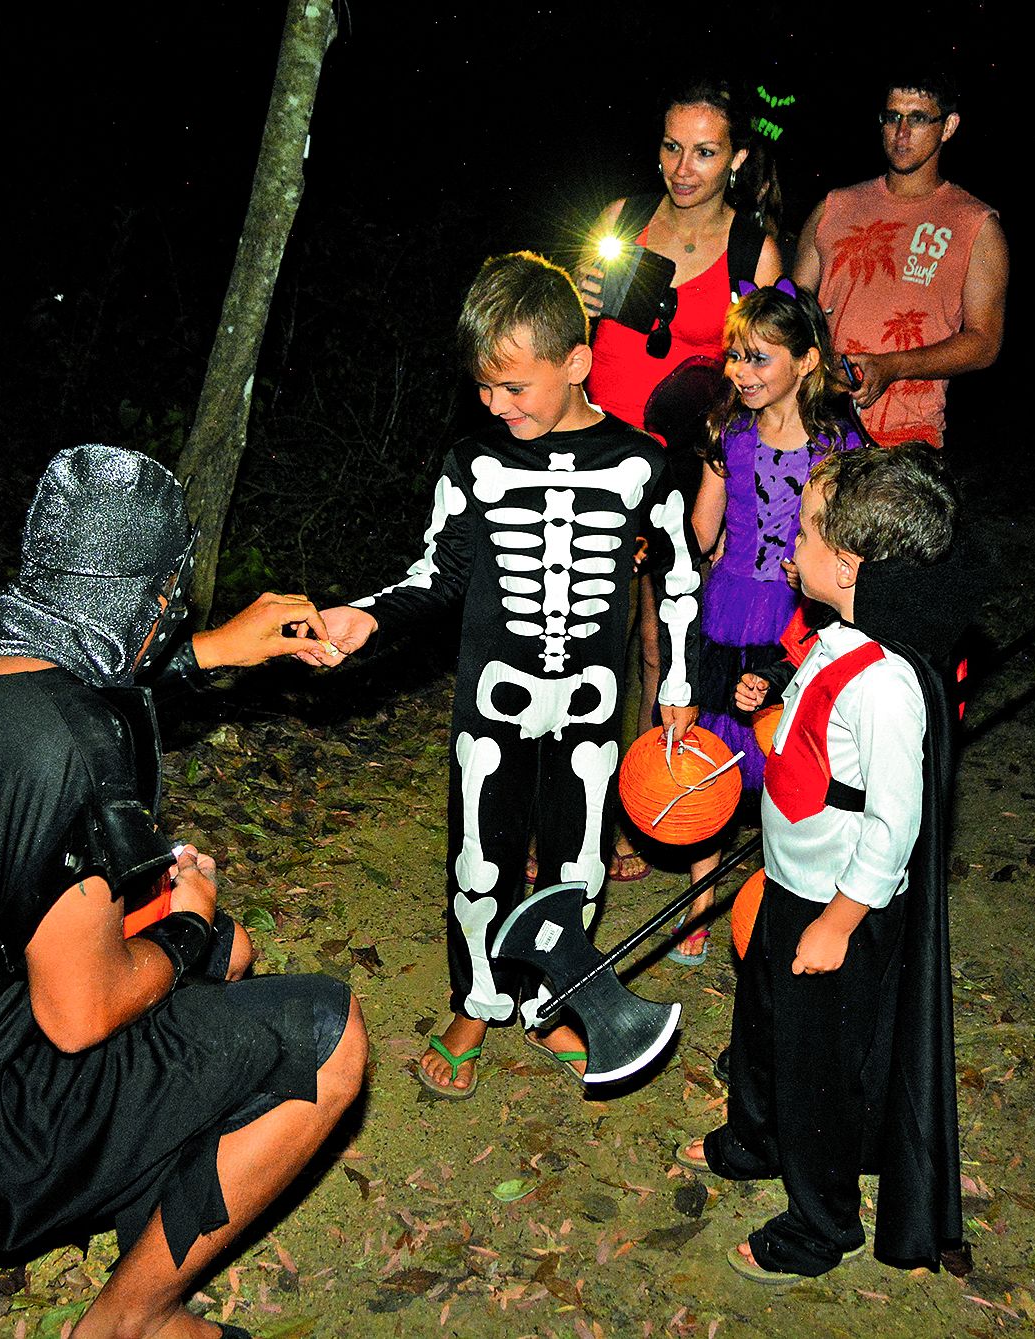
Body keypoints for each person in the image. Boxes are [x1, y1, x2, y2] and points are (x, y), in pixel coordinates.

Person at [0, 445, 368, 1339]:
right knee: (324, 1033)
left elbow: (74, 666)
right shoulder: (76, 754)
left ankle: (141, 1180)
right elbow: (79, 1015)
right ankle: (128, 1322)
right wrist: (185, 927)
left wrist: (213, 651)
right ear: (158, 599)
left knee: (232, 955)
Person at [313, 253, 702, 1099]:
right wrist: (368, 616)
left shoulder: (641, 461)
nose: (496, 404)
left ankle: (553, 1000)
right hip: (493, 701)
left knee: (579, 863)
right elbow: (437, 571)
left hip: (592, 704)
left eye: (515, 386)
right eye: (484, 387)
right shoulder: (473, 462)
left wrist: (676, 684)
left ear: (577, 361)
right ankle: (476, 1000)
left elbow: (678, 577)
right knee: (479, 859)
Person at [679, 445, 967, 1284]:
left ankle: (819, 1221)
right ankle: (753, 1138)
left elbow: (894, 823)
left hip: (838, 905)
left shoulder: (886, 682)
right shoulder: (837, 638)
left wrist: (840, 921)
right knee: (763, 1023)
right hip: (790, 881)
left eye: (803, 533)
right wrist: (774, 687)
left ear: (845, 564)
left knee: (819, 1071)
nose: (788, 547)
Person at [580, 76, 785, 846]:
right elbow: (572, 344)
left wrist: (732, 495)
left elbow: (762, 380)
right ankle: (569, 806)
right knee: (581, 633)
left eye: (704, 151)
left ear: (735, 159)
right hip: (597, 453)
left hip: (685, 467)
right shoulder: (620, 220)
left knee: (659, 641)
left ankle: (642, 803)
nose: (683, 167)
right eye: (672, 147)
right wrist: (579, 298)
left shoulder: (751, 249)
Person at [666, 281, 864, 965]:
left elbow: (847, 539)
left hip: (796, 619)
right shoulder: (730, 433)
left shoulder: (838, 445)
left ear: (806, 361)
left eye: (758, 358)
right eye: (734, 356)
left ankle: (789, 901)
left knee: (789, 759)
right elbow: (703, 527)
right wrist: (660, 548)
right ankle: (699, 904)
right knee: (710, 757)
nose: (740, 372)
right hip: (727, 607)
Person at [792, 68, 1009, 450]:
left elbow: (984, 343)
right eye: (892, 117)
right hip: (813, 425)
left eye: (918, 118)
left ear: (948, 126)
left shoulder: (975, 225)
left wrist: (893, 366)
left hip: (905, 437)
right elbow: (789, 312)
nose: (902, 132)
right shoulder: (834, 207)